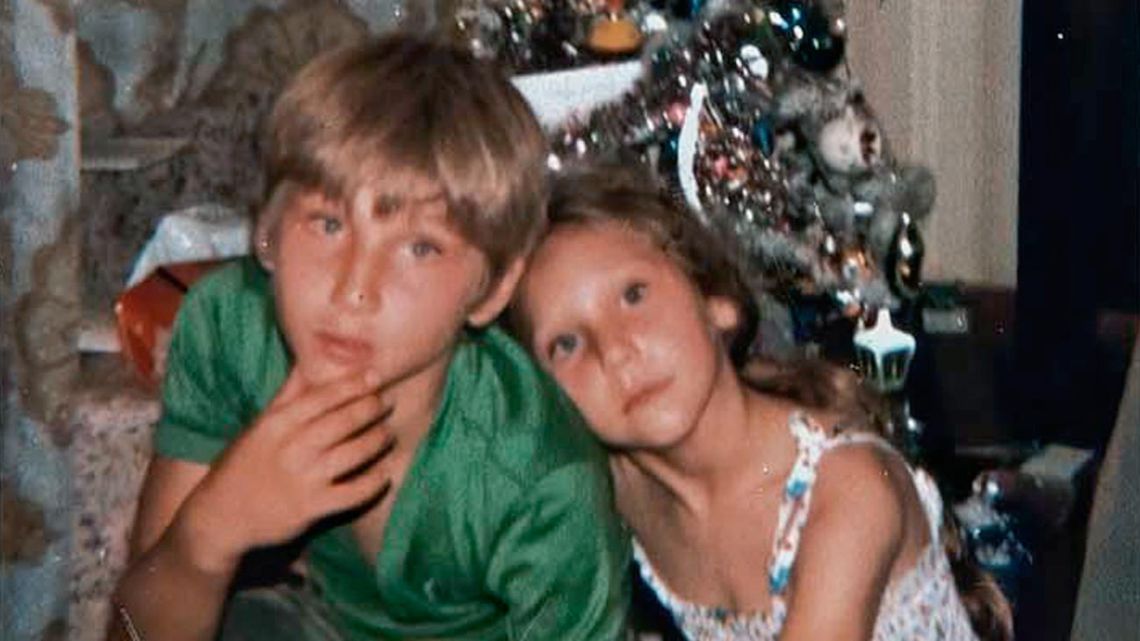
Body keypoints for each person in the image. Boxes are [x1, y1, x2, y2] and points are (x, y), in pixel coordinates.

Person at [110, 35, 629, 641]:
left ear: (492, 290)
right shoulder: (229, 328)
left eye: (420, 248)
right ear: (268, 232)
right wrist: (208, 535)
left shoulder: (539, 477)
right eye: (328, 223)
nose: (355, 288)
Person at [509, 164, 1012, 641]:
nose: (615, 351)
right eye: (566, 344)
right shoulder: (615, 488)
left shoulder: (847, 489)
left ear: (716, 303)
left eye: (634, 295)